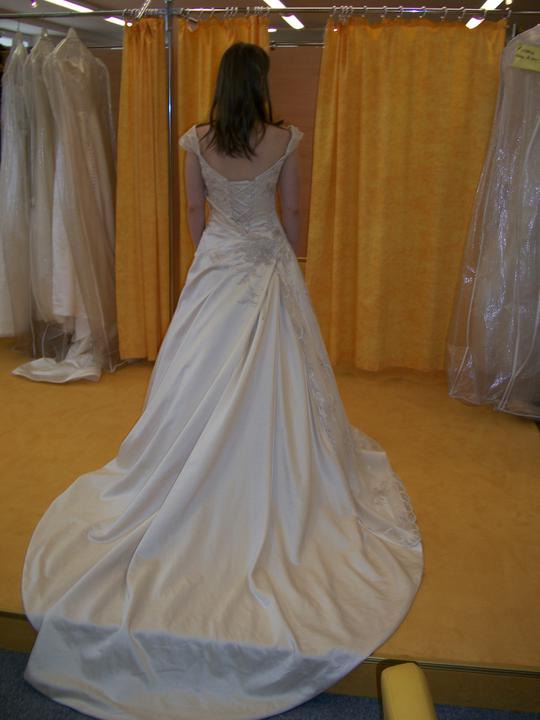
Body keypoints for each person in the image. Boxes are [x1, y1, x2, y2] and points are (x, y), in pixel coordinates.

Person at [22, 42, 423, 720]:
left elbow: (192, 212)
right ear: (259, 82)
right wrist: (289, 253)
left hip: (219, 263)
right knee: (281, 377)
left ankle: (186, 465)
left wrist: (212, 252)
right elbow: (292, 215)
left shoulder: (197, 139)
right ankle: (273, 470)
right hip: (266, 263)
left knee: (195, 373)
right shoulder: (285, 139)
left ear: (220, 83)